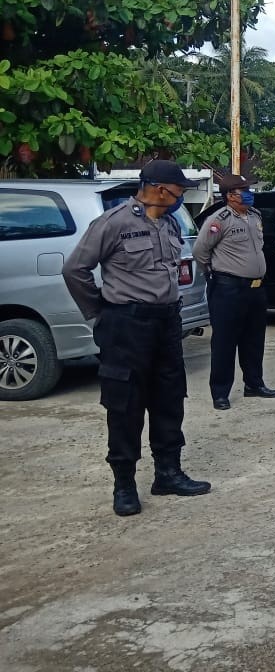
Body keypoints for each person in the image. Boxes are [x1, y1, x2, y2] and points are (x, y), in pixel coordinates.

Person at [62, 159, 211, 517]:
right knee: (125, 404)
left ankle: (168, 473)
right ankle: (124, 485)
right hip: (127, 325)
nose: (181, 196)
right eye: (178, 190)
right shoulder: (113, 223)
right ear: (160, 189)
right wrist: (99, 312)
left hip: (166, 322)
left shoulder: (171, 224)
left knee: (169, 398)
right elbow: (75, 269)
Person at [193, 172, 275, 411]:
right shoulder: (219, 219)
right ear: (231, 196)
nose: (250, 194)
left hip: (255, 288)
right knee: (225, 342)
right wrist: (214, 274)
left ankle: (254, 384)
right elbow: (200, 251)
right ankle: (220, 392)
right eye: (245, 191)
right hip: (228, 288)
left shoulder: (255, 216)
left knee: (254, 339)